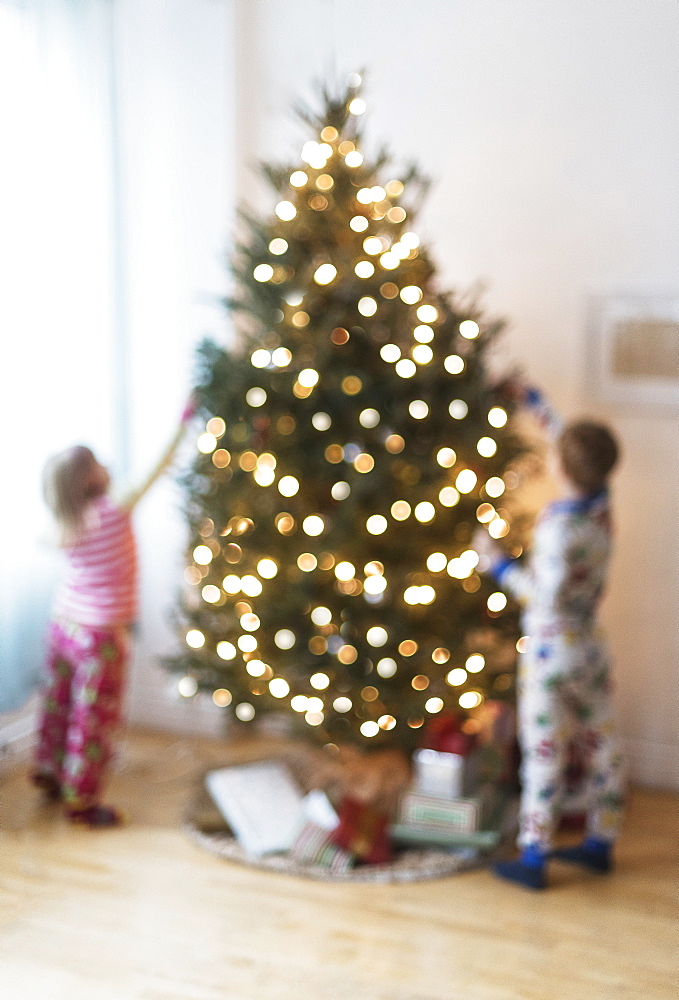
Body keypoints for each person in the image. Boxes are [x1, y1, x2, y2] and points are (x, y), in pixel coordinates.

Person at [475, 407, 625, 889]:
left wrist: (496, 565)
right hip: (589, 646)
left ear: (561, 467)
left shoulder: (560, 529)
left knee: (543, 750)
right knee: (601, 742)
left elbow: (544, 595)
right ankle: (601, 841)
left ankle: (534, 855)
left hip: (549, 652)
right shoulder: (603, 504)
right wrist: (534, 401)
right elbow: (578, 449)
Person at [32, 406, 193, 827]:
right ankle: (81, 801)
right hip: (99, 634)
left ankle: (49, 771)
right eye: (99, 463)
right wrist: (183, 421)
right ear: (91, 478)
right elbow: (158, 465)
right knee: (93, 719)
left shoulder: (63, 521)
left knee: (58, 703)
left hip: (63, 623)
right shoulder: (113, 509)